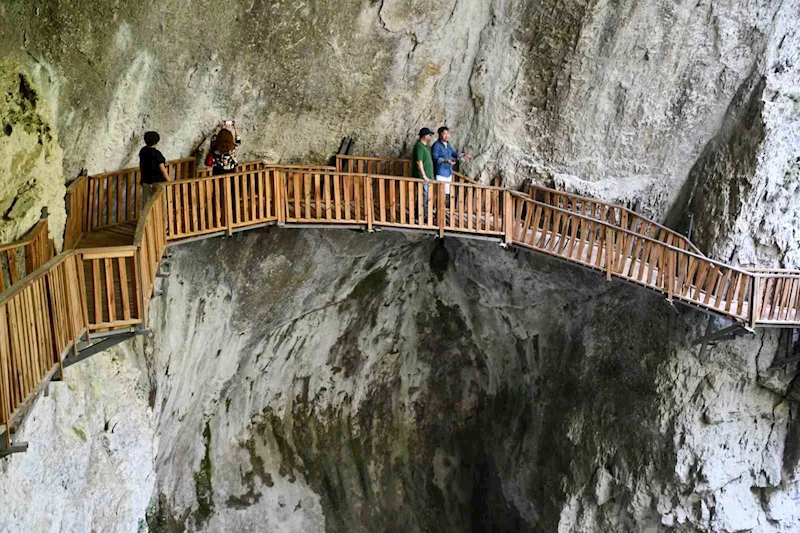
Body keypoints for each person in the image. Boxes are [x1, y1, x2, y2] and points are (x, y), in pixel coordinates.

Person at [432, 126, 472, 196]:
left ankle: (444, 206)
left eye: (448, 134)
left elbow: (453, 153)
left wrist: (463, 155)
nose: (446, 136)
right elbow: (435, 157)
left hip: (448, 171)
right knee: (440, 192)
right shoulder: (436, 145)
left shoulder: (448, 144)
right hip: (440, 172)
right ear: (439, 134)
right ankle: (438, 206)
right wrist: (445, 161)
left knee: (447, 192)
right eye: (444, 134)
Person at [139, 131, 170, 205]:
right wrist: (169, 181)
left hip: (146, 181)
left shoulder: (143, 151)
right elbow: (162, 169)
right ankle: (161, 217)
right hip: (157, 182)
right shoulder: (157, 154)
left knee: (147, 204)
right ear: (157, 141)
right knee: (160, 203)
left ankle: (148, 217)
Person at [412, 127, 435, 209]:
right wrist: (424, 175)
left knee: (425, 195)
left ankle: (423, 214)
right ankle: (420, 215)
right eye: (429, 135)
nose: (430, 137)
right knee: (423, 195)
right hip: (422, 177)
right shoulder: (419, 146)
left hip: (427, 176)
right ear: (425, 136)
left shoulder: (425, 147)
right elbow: (419, 161)